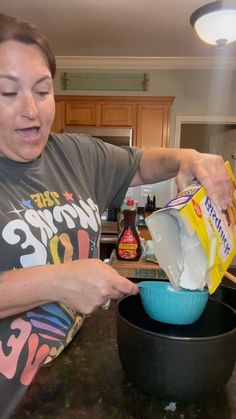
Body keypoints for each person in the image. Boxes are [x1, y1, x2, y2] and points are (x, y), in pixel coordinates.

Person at [0, 11, 233, 418]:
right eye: (7, 92)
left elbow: (142, 163)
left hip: (59, 379)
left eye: (42, 90)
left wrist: (188, 156)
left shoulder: (74, 153)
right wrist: (57, 280)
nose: (31, 111)